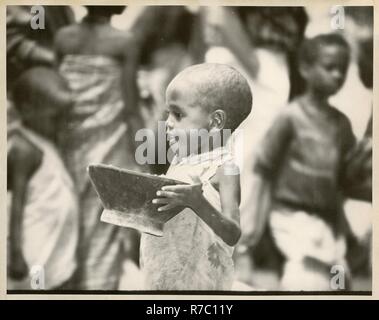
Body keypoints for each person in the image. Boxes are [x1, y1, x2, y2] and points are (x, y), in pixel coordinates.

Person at [248, 34, 356, 291]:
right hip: (290, 214)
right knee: (305, 279)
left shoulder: (341, 124)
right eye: (330, 67)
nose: (338, 75)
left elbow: (346, 178)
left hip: (326, 219)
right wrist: (253, 225)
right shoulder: (291, 116)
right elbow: (263, 167)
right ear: (305, 69)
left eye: (343, 69)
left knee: (339, 281)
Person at [140, 63, 252, 290]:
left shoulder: (224, 169)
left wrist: (197, 203)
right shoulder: (179, 161)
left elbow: (232, 233)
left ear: (215, 122)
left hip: (200, 283)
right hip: (165, 274)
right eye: (168, 114)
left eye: (178, 114)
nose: (168, 123)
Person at [54, 6, 143, 290]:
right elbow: (130, 108)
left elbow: (58, 93)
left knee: (71, 218)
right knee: (103, 221)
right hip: (108, 142)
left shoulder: (63, 38)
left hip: (69, 142)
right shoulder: (124, 42)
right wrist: (145, 154)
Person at [7, 67, 78, 290]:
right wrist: (16, 253)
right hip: (35, 243)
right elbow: (14, 208)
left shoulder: (44, 138)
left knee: (55, 281)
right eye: (55, 118)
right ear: (27, 111)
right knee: (38, 288)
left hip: (54, 239)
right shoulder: (23, 149)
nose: (62, 125)